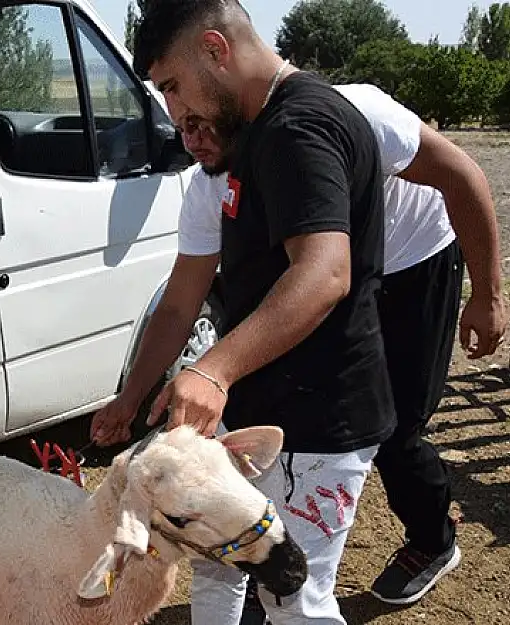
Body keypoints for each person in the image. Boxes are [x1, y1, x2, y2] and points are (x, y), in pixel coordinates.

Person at [102, 80, 504, 622]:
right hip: (319, 274)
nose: (188, 141)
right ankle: (264, 561)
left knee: (394, 427)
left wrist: (489, 294)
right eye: (179, 127)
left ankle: (432, 539)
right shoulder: (210, 186)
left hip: (411, 260)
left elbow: (463, 177)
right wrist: (130, 397)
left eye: (197, 123)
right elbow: (180, 303)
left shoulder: (351, 113)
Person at [98, 1, 397, 623]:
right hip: (261, 412)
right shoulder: (249, 140)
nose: (174, 112)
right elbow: (183, 298)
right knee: (217, 564)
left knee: (293, 602)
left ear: (215, 48)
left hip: (319, 424)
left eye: (173, 87)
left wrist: (213, 371)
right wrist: (132, 397)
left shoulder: (299, 129)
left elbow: (325, 272)